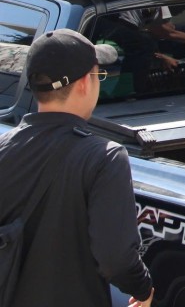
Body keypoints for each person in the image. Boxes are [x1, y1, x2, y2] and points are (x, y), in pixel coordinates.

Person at [0, 30, 154, 306]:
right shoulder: (105, 157)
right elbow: (116, 259)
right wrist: (143, 289)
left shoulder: (3, 148)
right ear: (85, 83)